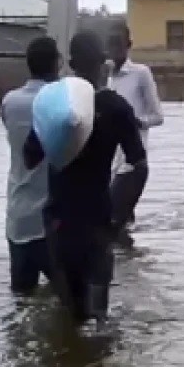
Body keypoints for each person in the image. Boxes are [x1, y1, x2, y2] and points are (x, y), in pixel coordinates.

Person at [23, 31, 148, 324]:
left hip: (60, 222)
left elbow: (30, 158)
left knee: (70, 314)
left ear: (70, 63)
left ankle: (70, 364)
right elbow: (139, 165)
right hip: (98, 221)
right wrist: (117, 218)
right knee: (99, 316)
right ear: (103, 64)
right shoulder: (116, 107)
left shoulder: (55, 106)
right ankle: (95, 365)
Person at [0, 36, 60, 295]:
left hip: (18, 218)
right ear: (56, 64)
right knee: (72, 306)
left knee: (23, 303)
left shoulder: (9, 102)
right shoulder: (60, 102)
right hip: (51, 221)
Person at [106, 23, 163, 239]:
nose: (114, 50)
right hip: (109, 162)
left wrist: (134, 123)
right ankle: (130, 268)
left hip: (132, 162)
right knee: (120, 224)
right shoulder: (105, 77)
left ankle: (126, 266)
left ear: (128, 46)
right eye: (111, 45)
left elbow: (158, 116)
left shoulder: (141, 74)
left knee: (112, 223)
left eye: (119, 45)